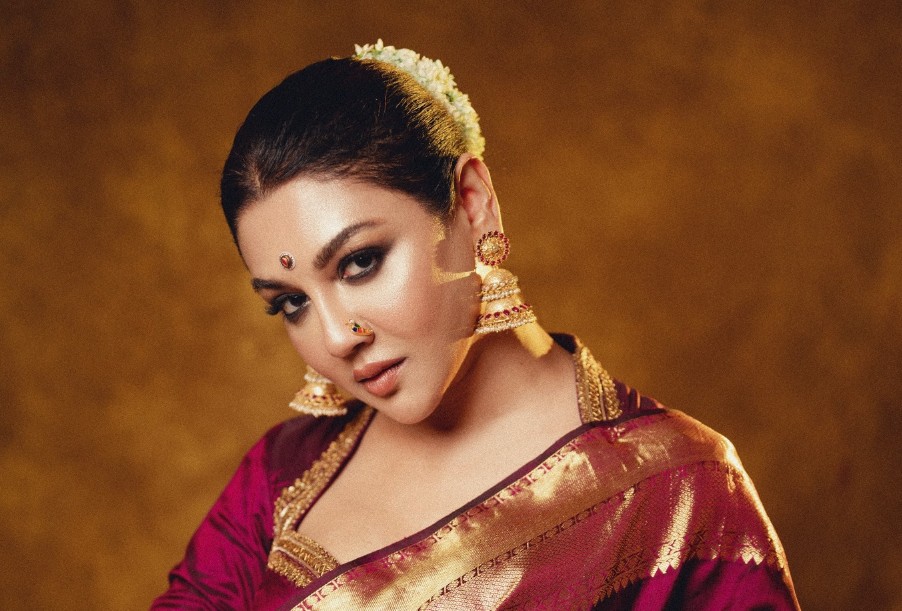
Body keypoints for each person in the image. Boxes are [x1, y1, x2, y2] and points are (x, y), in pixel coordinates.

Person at [152, 41, 799, 610]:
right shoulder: (281, 477)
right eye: (290, 302)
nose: (336, 337)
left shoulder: (677, 491)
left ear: (472, 203)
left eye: (360, 262)